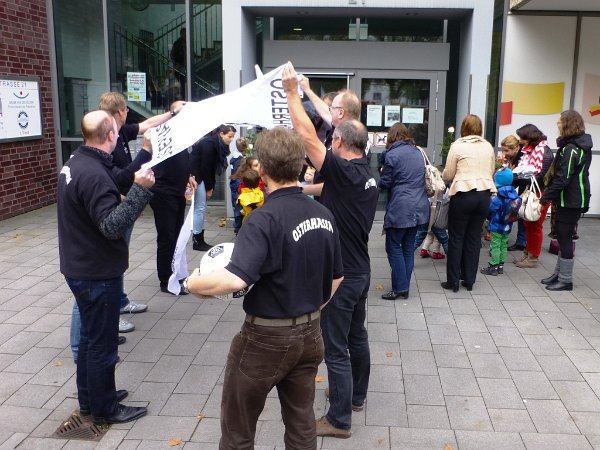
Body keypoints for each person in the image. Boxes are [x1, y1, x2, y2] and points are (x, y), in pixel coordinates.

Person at [183, 127, 343, 449]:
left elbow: (235, 279)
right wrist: (310, 308)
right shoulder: (324, 214)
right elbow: (337, 277)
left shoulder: (263, 218)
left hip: (265, 339)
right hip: (310, 334)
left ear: (263, 168)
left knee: (238, 428)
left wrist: (192, 282)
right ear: (301, 164)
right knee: (301, 423)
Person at [283, 63, 378, 439]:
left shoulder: (342, 170)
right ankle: (356, 396)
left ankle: (339, 420)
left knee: (336, 348)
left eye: (333, 138)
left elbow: (307, 138)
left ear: (338, 143)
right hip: (362, 270)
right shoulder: (364, 171)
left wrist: (293, 93)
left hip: (343, 276)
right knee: (357, 336)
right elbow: (330, 189)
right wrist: (302, 189)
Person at [57, 110, 154, 424]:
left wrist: (144, 158)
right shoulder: (93, 174)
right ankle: (104, 410)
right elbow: (112, 226)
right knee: (102, 344)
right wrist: (141, 191)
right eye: (117, 129)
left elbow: (116, 179)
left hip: (80, 266)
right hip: (96, 272)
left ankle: (91, 399)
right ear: (110, 135)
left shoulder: (80, 161)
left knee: (89, 339)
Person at [441, 114, 496, 292]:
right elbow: (491, 170)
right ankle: (469, 280)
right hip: (484, 195)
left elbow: (449, 173)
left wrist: (444, 179)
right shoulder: (487, 146)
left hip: (463, 194)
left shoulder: (458, 145)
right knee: (473, 237)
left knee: (456, 237)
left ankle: (453, 281)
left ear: (463, 127)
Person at [539, 110, 592, 291]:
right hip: (570, 199)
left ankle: (566, 280)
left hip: (571, 200)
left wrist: (544, 199)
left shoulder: (571, 148)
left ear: (568, 124)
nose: (557, 124)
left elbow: (563, 179)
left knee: (564, 237)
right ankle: (559, 274)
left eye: (560, 121)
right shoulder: (575, 145)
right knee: (563, 237)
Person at [378, 123, 430, 300]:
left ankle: (400, 288)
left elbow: (386, 182)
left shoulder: (392, 155)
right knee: (408, 247)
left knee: (393, 247)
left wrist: (381, 173)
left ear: (391, 137)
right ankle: (404, 287)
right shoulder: (418, 152)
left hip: (401, 207)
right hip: (419, 205)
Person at [149, 107, 197, 295]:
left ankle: (176, 274)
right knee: (167, 238)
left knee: (177, 236)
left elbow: (180, 163)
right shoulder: (162, 136)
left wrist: (188, 176)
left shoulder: (180, 137)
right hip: (163, 194)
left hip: (176, 193)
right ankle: (166, 279)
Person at [512, 124, 554, 268]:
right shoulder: (529, 150)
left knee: (535, 225)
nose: (520, 141)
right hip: (532, 191)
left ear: (530, 138)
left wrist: (522, 175)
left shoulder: (544, 152)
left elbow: (542, 176)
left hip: (540, 193)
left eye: (522, 138)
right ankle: (528, 252)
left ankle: (533, 257)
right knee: (528, 223)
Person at [190, 124, 236, 251]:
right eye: (230, 136)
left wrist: (210, 186)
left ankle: (198, 238)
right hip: (197, 177)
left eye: (233, 137)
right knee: (200, 208)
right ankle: (197, 240)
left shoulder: (215, 143)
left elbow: (210, 168)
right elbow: (207, 168)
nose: (231, 139)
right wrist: (209, 188)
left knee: (200, 208)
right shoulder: (210, 144)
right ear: (221, 134)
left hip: (198, 176)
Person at [480, 167, 519, 276]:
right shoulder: (514, 195)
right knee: (503, 245)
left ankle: (493, 266)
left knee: (495, 246)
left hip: (496, 226)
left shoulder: (499, 197)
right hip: (508, 226)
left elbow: (491, 209)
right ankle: (500, 266)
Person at [501, 135, 527, 252]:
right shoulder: (513, 157)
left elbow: (517, 176)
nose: (504, 153)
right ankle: (521, 241)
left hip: (525, 188)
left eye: (506, 150)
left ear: (515, 148)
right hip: (521, 187)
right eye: (503, 150)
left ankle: (522, 242)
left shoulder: (521, 157)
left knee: (522, 215)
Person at [230, 137, 250, 234]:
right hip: (238, 183)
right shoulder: (240, 160)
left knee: (236, 205)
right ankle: (239, 228)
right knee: (239, 207)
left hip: (234, 182)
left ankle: (237, 227)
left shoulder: (234, 158)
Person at [171, 27, 187, 99]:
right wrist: (176, 64)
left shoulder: (186, 42)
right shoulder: (177, 43)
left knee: (183, 82)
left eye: (185, 33)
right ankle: (182, 97)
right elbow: (173, 55)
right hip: (180, 66)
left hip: (184, 65)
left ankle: (183, 97)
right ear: (181, 34)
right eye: (184, 33)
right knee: (181, 82)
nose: (185, 35)